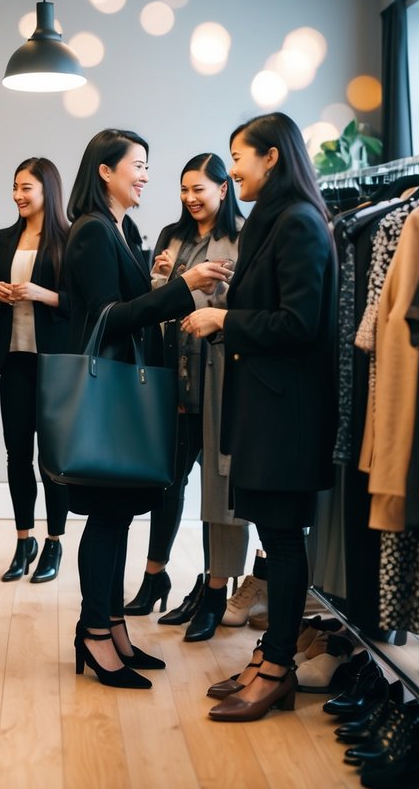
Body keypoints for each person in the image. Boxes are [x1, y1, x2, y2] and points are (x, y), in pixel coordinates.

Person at [62, 129, 231, 689]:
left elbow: (128, 302)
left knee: (117, 516)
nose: (145, 175)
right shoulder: (91, 231)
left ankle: (112, 627)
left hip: (125, 394)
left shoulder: (120, 228)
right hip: (112, 396)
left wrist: (162, 281)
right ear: (105, 171)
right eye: (137, 165)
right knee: (108, 518)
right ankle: (92, 634)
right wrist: (183, 286)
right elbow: (105, 318)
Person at [182, 112, 337, 721]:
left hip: (286, 415)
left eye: (239, 157)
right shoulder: (273, 223)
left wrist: (224, 320)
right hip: (267, 408)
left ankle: (277, 670)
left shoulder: (297, 222)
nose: (234, 169)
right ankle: (269, 659)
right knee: (274, 539)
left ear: (271, 158)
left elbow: (301, 323)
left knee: (281, 542)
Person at [124, 153, 252, 644]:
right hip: (175, 380)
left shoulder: (244, 238)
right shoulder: (171, 238)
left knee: (220, 492)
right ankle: (156, 575)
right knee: (167, 483)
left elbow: (238, 307)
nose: (191, 198)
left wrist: (193, 295)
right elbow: (155, 302)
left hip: (221, 381)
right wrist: (157, 279)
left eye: (200, 189)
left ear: (224, 188)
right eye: (184, 190)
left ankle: (214, 591)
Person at [0, 157, 71, 583]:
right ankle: (24, 541)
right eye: (15, 187)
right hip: (14, 360)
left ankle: (54, 542)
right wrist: (1, 293)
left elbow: (81, 304)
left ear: (47, 191)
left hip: (53, 366)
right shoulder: (4, 238)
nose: (18, 195)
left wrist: (42, 294)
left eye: (26, 188)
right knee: (16, 455)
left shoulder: (70, 240)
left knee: (51, 460)